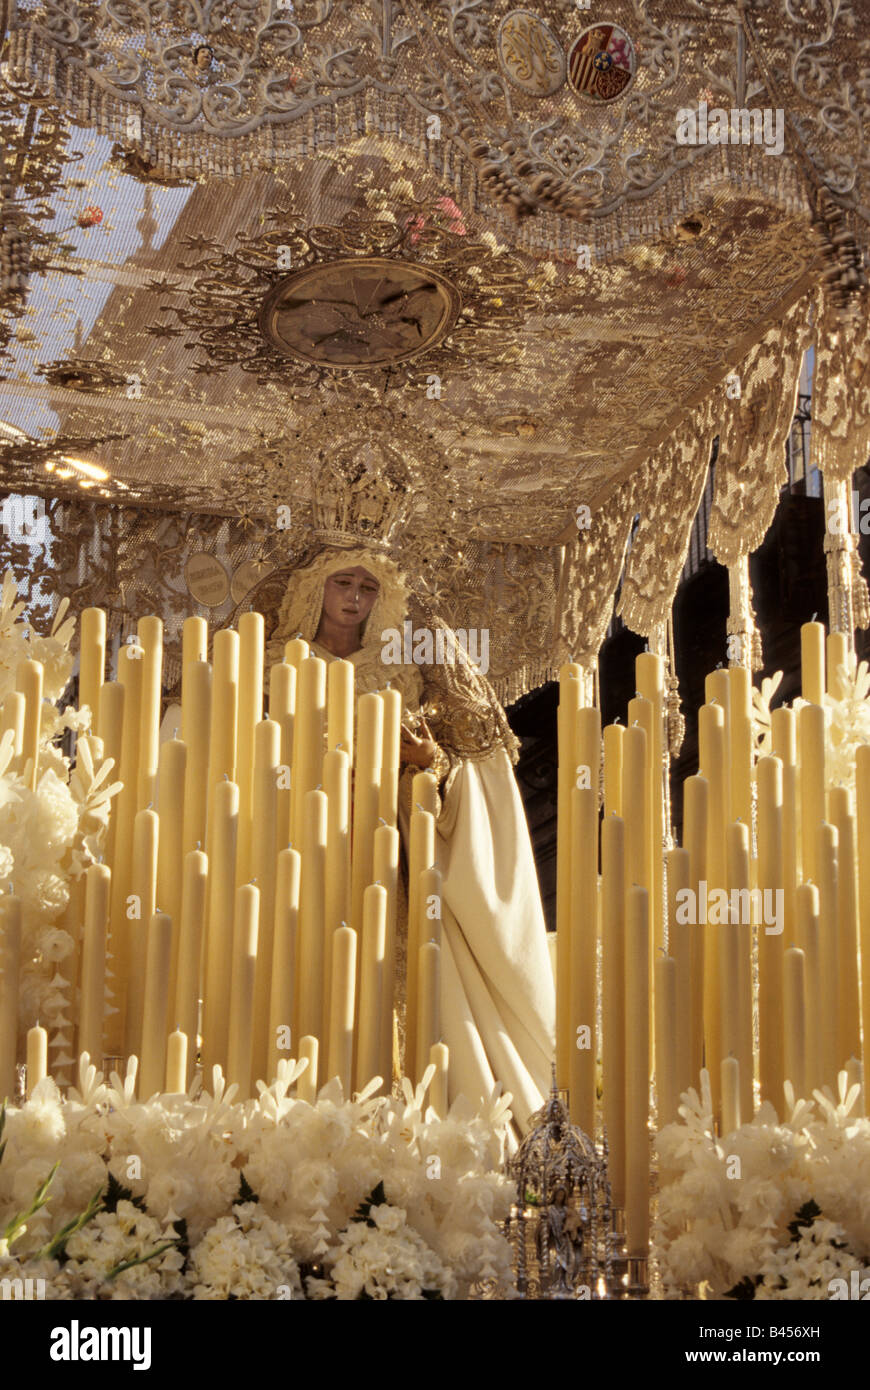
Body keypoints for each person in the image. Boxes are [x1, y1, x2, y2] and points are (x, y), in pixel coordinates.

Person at [255, 542, 556, 1137]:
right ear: (314, 588)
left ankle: (404, 1116)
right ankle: (292, 1113)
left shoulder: (403, 669)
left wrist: (428, 761)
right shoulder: (270, 664)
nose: (354, 599)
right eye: (343, 583)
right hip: (291, 844)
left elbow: (459, 766)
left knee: (395, 973)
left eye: (368, 589)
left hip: (382, 850)